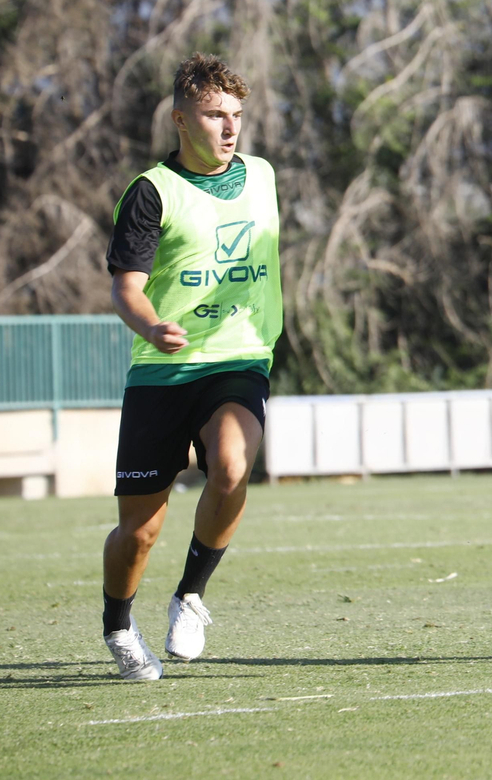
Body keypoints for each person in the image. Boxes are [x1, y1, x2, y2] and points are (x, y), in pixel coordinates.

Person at [100, 53, 283, 680]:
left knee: (232, 467)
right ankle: (118, 625)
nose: (229, 127)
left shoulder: (262, 176)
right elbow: (126, 287)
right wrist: (152, 325)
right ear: (181, 120)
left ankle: (190, 596)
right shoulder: (152, 191)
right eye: (213, 115)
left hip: (238, 358)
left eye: (236, 114)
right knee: (139, 532)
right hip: (161, 371)